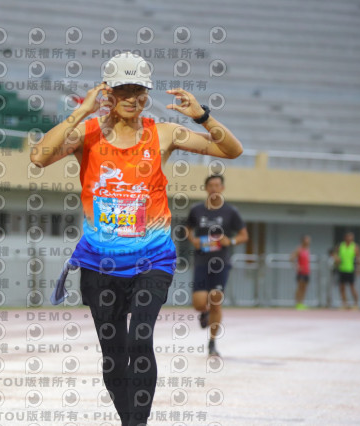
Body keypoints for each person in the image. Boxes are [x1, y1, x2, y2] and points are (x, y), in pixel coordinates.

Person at [33, 51, 243, 426]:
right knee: (114, 354)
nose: (133, 98)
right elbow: (39, 156)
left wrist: (202, 116)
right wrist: (80, 112)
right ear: (108, 93)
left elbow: (232, 150)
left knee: (139, 339)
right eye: (124, 90)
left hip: (152, 260)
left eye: (139, 90)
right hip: (99, 264)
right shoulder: (87, 133)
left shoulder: (163, 133)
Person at [186, 174, 248, 356]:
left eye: (217, 185)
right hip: (201, 262)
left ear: (222, 188)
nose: (214, 188)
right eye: (211, 185)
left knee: (215, 300)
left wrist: (231, 241)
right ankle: (204, 313)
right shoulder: (197, 210)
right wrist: (193, 240)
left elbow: (244, 235)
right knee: (199, 303)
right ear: (206, 188)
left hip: (221, 263)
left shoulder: (230, 211)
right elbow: (187, 229)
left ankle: (212, 343)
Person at [332, 232, 360, 310]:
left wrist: (358, 269)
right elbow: (335, 254)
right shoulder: (341, 246)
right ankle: (344, 304)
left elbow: (358, 258)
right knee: (342, 288)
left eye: (351, 237)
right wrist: (336, 259)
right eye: (348, 237)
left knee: (352, 287)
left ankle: (356, 304)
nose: (350, 239)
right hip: (342, 269)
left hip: (350, 270)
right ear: (345, 238)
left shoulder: (354, 246)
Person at [291, 235, 311, 310]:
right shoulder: (299, 249)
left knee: (304, 288)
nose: (308, 241)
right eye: (307, 240)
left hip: (307, 271)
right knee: (300, 287)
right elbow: (291, 258)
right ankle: (297, 303)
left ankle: (301, 303)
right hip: (301, 272)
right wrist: (297, 266)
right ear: (303, 241)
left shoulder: (307, 249)